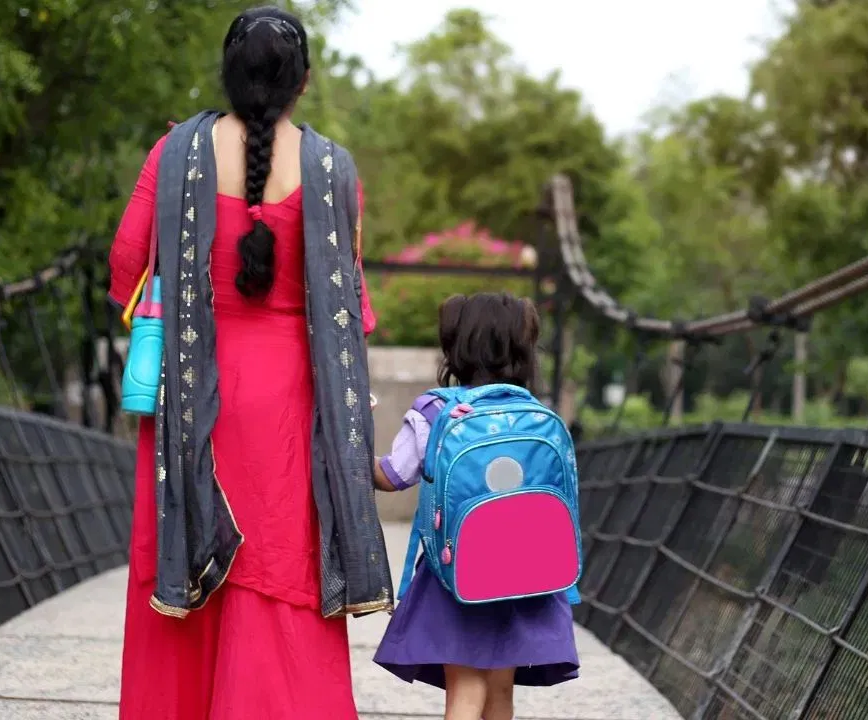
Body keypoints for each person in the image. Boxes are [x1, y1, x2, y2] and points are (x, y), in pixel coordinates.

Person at [107, 7, 391, 719]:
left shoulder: (174, 152)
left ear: (228, 74)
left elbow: (125, 268)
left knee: (185, 570)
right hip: (293, 407)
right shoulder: (332, 169)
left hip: (190, 395)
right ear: (304, 82)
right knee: (279, 578)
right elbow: (353, 308)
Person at [370, 292, 581, 720]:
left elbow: (392, 477)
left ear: (455, 347)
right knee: (501, 692)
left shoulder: (436, 411)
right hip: (525, 574)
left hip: (458, 575)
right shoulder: (536, 414)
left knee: (464, 690)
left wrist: (350, 443)